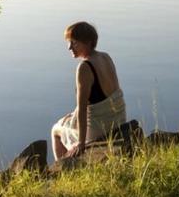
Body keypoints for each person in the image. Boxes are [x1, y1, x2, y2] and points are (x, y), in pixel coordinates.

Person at [51, 21, 127, 161]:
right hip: (118, 120)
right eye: (69, 43)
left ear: (87, 42)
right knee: (68, 119)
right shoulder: (105, 57)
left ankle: (63, 169)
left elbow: (82, 108)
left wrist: (81, 143)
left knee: (56, 129)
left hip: (99, 129)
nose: (69, 48)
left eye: (74, 43)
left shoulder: (85, 67)